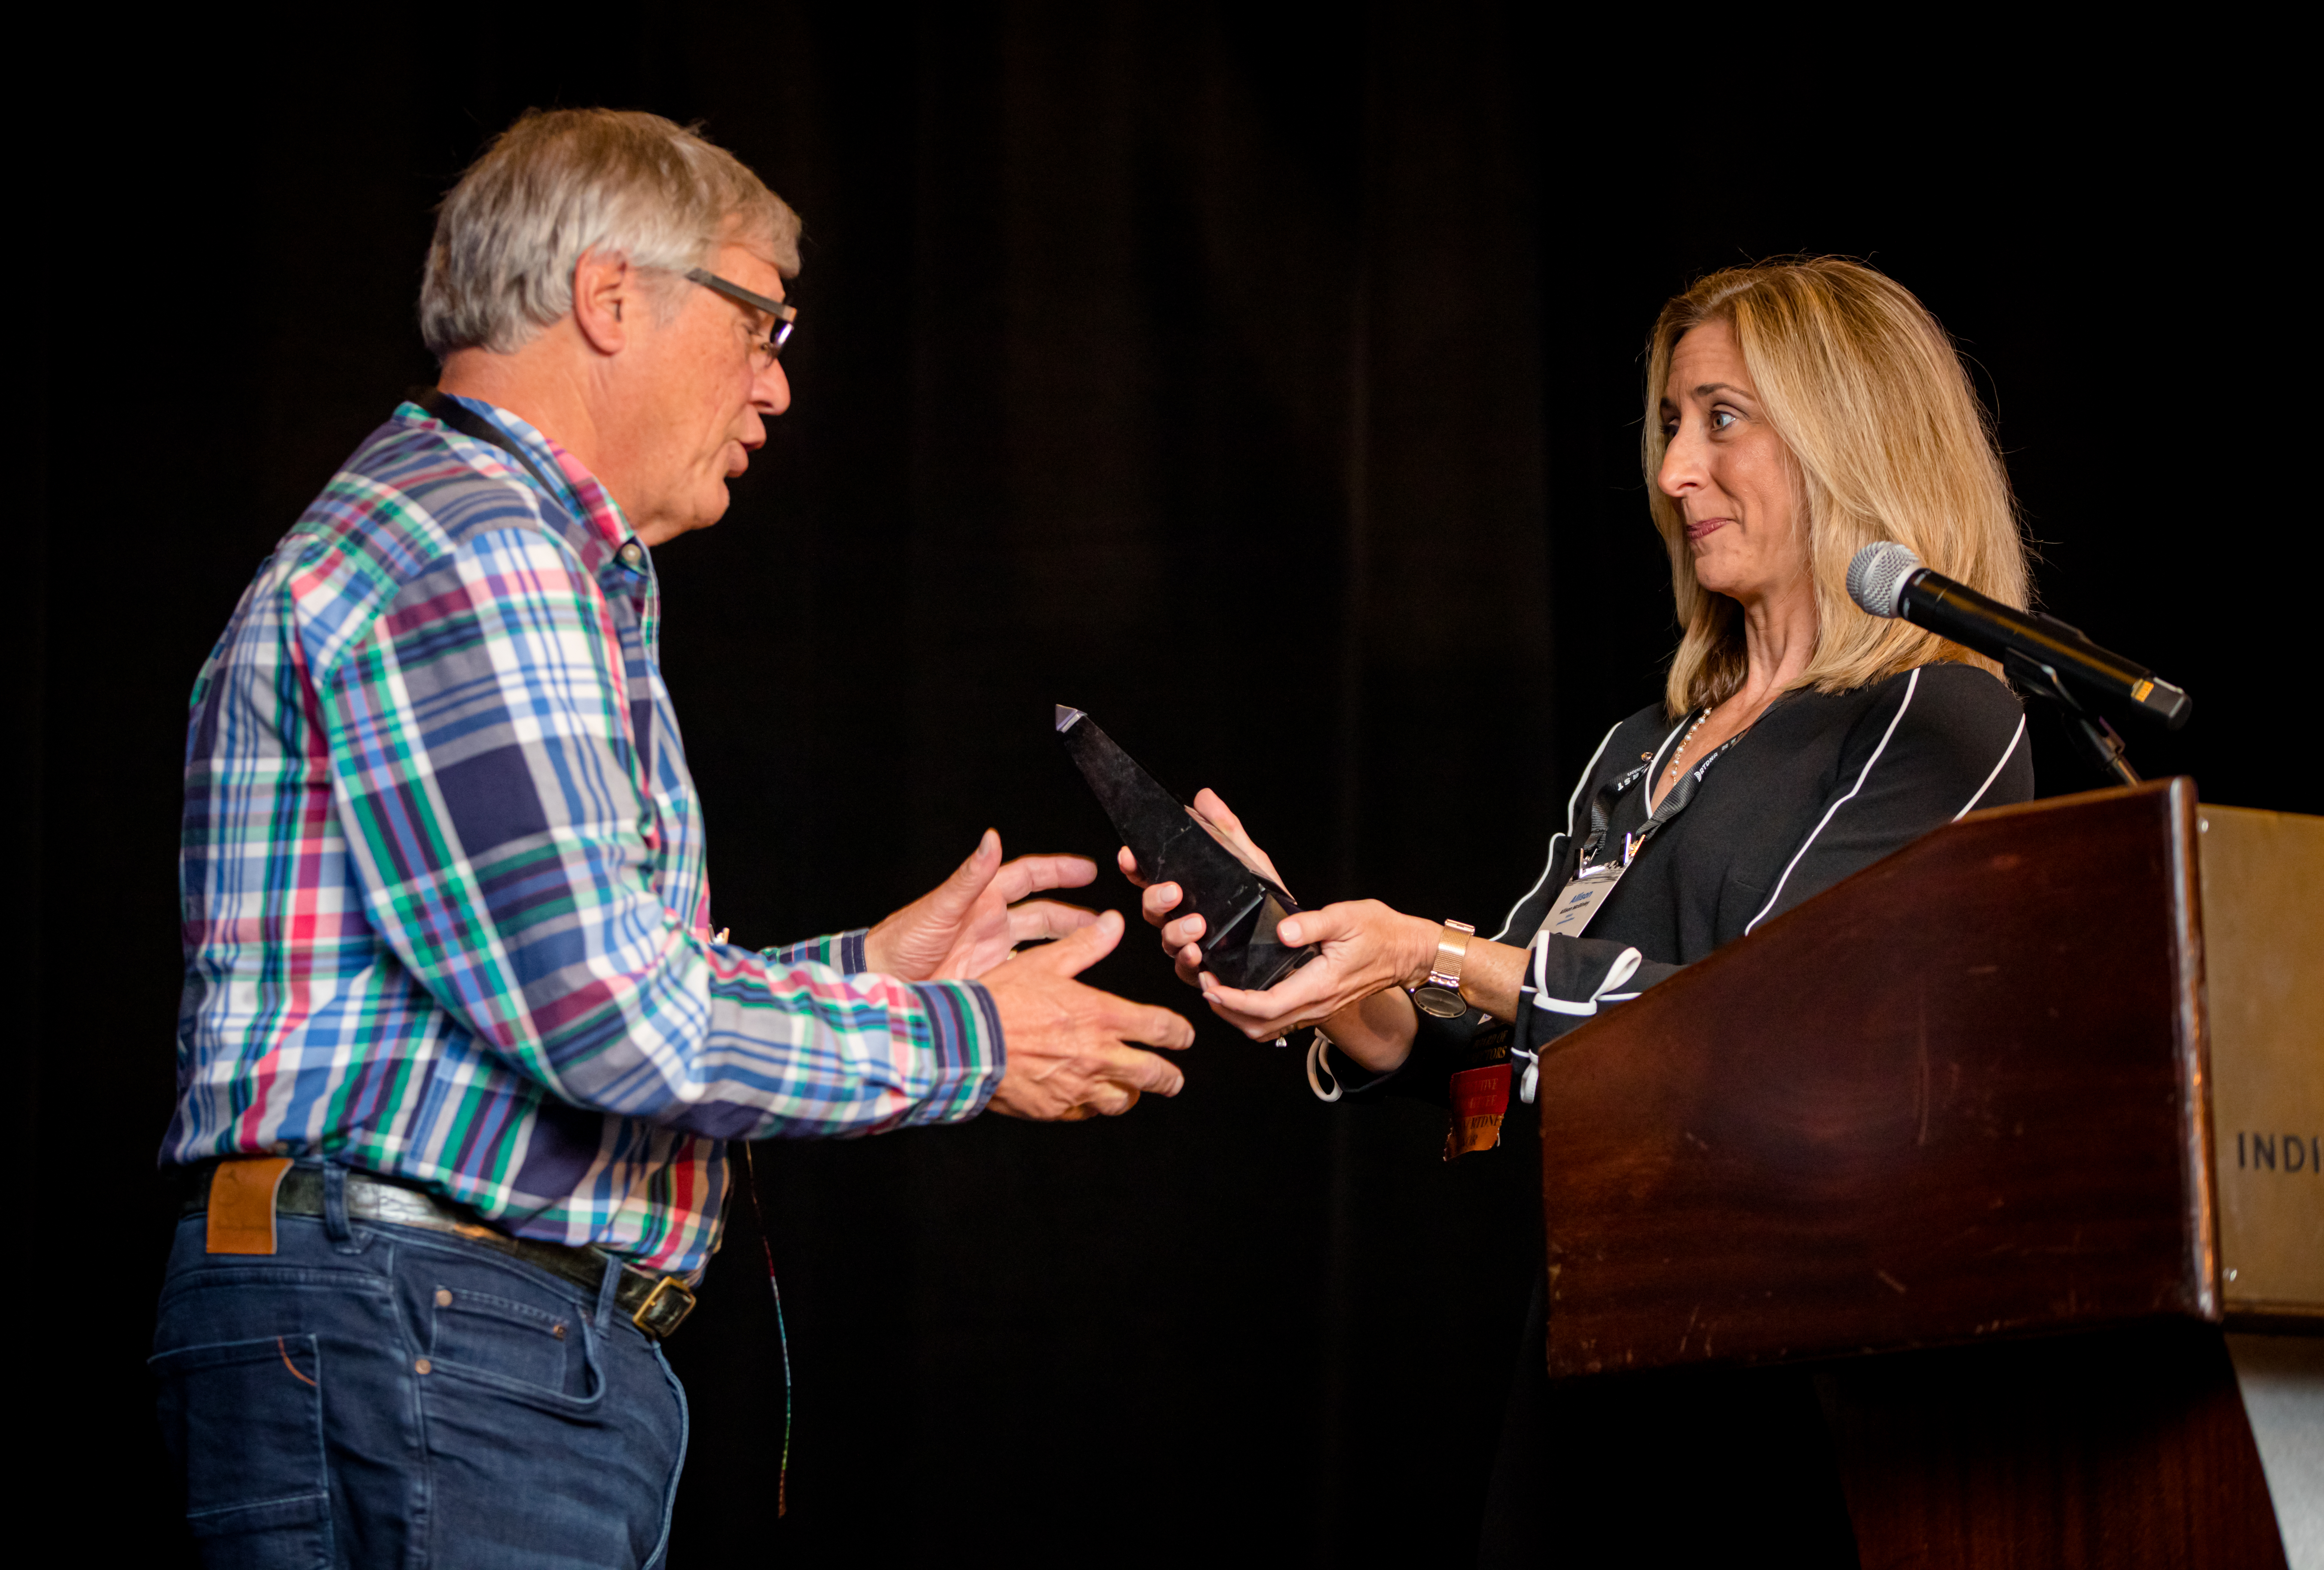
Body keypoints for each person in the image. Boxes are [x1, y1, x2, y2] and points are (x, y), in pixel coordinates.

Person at [154, 108, 1194, 1570]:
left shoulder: (477, 537)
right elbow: (606, 1022)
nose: (777, 384)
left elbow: (551, 988)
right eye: (761, 320)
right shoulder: (477, 546)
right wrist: (966, 1036)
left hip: (441, 1338)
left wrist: (875, 972)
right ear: (610, 295)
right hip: (436, 1339)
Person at [1131, 257, 2037, 1562]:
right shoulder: (1643, 746)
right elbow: (1501, 1054)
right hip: (1599, 1349)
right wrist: (1337, 975)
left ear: (1849, 435)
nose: (1674, 471)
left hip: (1793, 1379)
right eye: (1671, 423)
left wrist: (1435, 948)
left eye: (1720, 418)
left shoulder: (1937, 716)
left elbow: (1759, 1024)